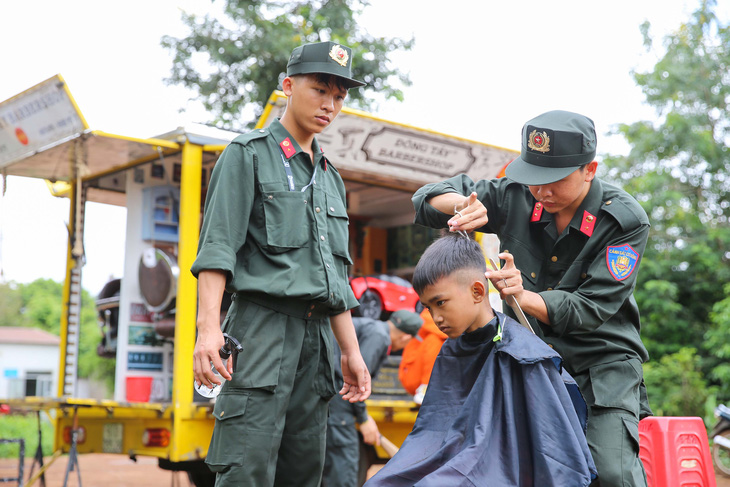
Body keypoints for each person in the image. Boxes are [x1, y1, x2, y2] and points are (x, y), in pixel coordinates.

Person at [412, 110, 650, 486]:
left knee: (611, 473)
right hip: (530, 360)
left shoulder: (623, 221)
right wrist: (462, 205)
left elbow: (591, 309)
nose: (542, 192)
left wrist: (523, 295)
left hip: (601, 366)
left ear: (590, 169)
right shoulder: (515, 196)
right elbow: (426, 199)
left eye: (554, 180)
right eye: (534, 180)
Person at [191, 41, 371, 487]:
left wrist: (350, 351)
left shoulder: (331, 178)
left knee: (304, 472)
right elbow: (216, 251)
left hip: (317, 344)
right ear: (289, 86)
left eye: (340, 95)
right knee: (246, 470)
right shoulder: (247, 154)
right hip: (261, 332)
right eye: (319, 89)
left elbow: (337, 278)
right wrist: (208, 330)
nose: (330, 104)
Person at [366, 234, 596, 486]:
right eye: (429, 308)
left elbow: (554, 453)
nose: (436, 317)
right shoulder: (451, 351)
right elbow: (434, 433)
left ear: (477, 291)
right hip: (458, 461)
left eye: (440, 303)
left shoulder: (522, 352)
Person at [322, 310, 423, 487]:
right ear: (406, 337)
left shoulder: (372, 326)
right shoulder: (379, 337)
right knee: (343, 464)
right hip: (338, 397)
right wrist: (363, 419)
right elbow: (357, 381)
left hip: (332, 391)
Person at [397, 309, 447, 404]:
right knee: (434, 341)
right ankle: (425, 388)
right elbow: (451, 334)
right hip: (415, 377)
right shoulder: (431, 315)